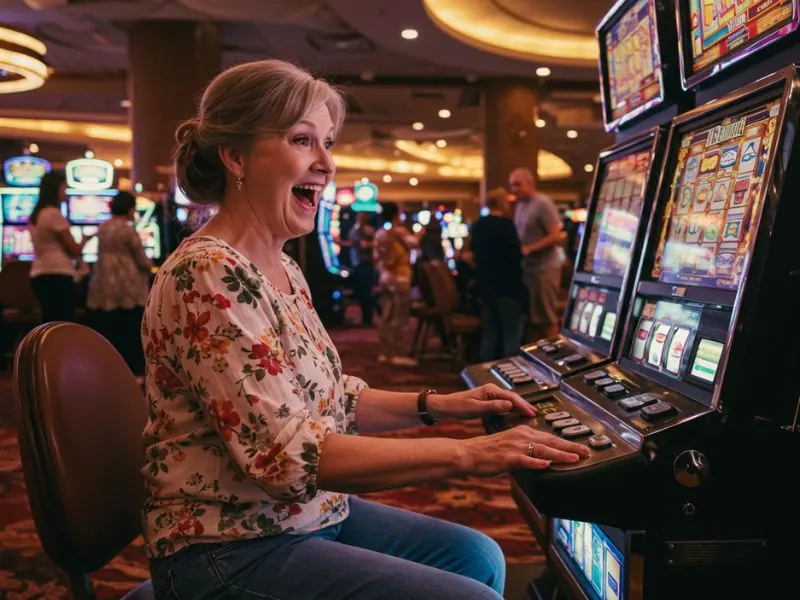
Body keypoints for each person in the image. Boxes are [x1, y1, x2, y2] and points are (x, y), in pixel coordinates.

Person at [141, 59, 589, 600]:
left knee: (477, 555)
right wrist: (471, 455)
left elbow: (330, 399)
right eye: (303, 140)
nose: (327, 163)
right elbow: (285, 456)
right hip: (225, 545)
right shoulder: (208, 273)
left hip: (301, 515)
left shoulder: (282, 268)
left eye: (327, 142)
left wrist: (440, 405)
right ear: (235, 156)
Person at [86, 191, 152, 375]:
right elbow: (142, 260)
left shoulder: (103, 227)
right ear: (130, 209)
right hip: (126, 283)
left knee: (110, 329)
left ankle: (108, 368)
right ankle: (130, 370)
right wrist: (152, 266)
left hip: (103, 280)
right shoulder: (127, 229)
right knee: (129, 330)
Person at [28, 170, 92, 323]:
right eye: (64, 187)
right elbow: (74, 249)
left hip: (39, 274)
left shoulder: (37, 214)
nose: (66, 192)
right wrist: (85, 239)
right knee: (63, 324)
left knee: (49, 323)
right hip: (58, 274)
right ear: (55, 188)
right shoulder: (53, 214)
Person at [471, 187, 526, 361]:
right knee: (511, 335)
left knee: (489, 334)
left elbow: (473, 254)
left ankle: (484, 378)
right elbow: (516, 256)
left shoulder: (478, 225)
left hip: (484, 287)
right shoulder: (506, 225)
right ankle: (510, 380)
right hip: (507, 288)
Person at [509, 167, 564, 340]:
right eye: (512, 185)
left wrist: (530, 248)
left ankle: (553, 358)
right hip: (528, 268)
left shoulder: (543, 203)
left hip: (544, 268)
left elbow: (556, 235)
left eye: (518, 184)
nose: (514, 189)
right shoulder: (520, 206)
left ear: (530, 183)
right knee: (533, 319)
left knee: (546, 317)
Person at [373, 201, 419, 366]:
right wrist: (420, 233)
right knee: (400, 316)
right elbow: (415, 244)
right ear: (395, 214)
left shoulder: (379, 233)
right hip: (399, 277)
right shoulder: (399, 232)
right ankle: (397, 353)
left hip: (384, 277)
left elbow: (376, 258)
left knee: (386, 315)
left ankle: (385, 352)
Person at [347, 211, 377, 325]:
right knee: (361, 292)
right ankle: (366, 317)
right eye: (359, 217)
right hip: (357, 263)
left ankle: (368, 318)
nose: (361, 219)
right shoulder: (355, 229)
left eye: (363, 218)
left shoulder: (368, 230)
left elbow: (365, 244)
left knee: (366, 292)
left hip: (365, 264)